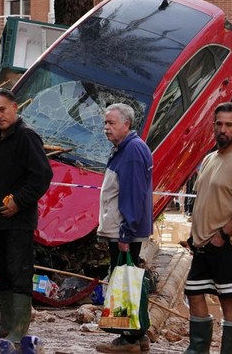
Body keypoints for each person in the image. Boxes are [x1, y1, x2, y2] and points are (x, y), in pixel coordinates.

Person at [0, 88, 52, 343]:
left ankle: (18, 328)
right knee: (2, 270)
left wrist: (19, 201)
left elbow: (42, 176)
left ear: (15, 107)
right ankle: (5, 325)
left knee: (19, 272)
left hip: (19, 221)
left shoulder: (26, 137)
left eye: (3, 109)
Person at [184, 102, 232, 353]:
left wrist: (223, 235)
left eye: (228, 125)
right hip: (203, 244)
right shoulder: (209, 159)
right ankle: (198, 349)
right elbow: (204, 200)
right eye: (219, 124)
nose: (222, 129)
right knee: (193, 292)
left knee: (227, 299)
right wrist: (193, 237)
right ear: (213, 126)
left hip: (227, 244)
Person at [95, 103, 153, 353]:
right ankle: (138, 335)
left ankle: (127, 338)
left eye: (111, 123)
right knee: (129, 280)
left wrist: (125, 234)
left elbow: (132, 195)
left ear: (126, 124)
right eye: (105, 123)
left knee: (124, 281)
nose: (106, 128)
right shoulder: (126, 148)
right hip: (122, 228)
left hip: (124, 230)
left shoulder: (131, 151)